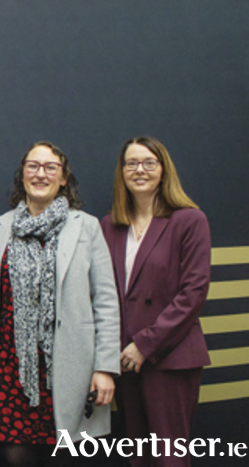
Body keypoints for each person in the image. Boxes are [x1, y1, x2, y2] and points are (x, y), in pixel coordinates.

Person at [0, 142, 120, 467]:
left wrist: (105, 368)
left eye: (51, 167)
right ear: (22, 175)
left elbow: (106, 302)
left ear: (63, 178)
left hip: (69, 369)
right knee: (16, 457)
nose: (41, 174)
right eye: (33, 166)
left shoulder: (86, 227)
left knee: (64, 457)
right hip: (11, 370)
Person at [101, 136, 211, 467]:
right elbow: (105, 294)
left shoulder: (189, 220)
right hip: (125, 360)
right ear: (121, 172)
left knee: (169, 459)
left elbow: (193, 292)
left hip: (169, 357)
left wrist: (145, 345)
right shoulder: (110, 225)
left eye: (149, 162)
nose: (140, 170)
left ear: (163, 170)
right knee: (138, 457)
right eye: (131, 163)